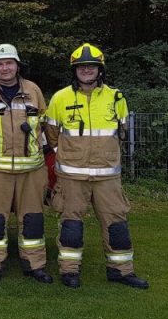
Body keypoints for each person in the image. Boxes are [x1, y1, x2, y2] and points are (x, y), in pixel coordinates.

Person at [44, 43, 149, 289]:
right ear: (74, 71)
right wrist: (67, 156)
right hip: (72, 177)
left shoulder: (116, 97)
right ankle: (69, 271)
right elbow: (51, 135)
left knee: (117, 224)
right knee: (71, 224)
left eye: (91, 67)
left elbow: (120, 133)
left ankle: (121, 271)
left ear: (100, 70)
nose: (87, 71)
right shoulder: (60, 98)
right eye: (82, 67)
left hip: (107, 178)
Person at [0, 45, 53, 283]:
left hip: (32, 171)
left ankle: (35, 264)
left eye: (9, 63)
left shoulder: (33, 90)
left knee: (33, 219)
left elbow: (44, 127)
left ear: (17, 65)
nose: (5, 68)